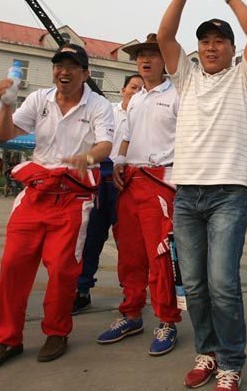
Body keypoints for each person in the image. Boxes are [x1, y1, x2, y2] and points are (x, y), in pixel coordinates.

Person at [156, 0, 247, 391]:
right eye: (204, 41)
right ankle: (207, 351)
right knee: (196, 286)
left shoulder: (244, 78)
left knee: (222, 283)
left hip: (228, 194)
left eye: (219, 41)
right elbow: (165, 37)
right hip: (187, 194)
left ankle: (232, 361)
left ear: (232, 49)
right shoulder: (185, 77)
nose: (210, 47)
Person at [0, 44, 114, 371]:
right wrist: (6, 104)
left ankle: (56, 332)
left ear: (85, 73)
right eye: (58, 66)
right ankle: (6, 339)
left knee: (63, 270)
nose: (63, 72)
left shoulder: (98, 105)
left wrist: (87, 157)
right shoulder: (39, 99)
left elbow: (105, 144)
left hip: (73, 198)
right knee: (13, 266)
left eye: (72, 67)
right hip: (35, 194)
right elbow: (5, 134)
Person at [96, 34, 181, 355]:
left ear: (166, 60)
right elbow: (127, 137)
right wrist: (119, 160)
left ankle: (167, 320)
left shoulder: (177, 94)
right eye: (140, 56)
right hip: (130, 181)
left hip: (160, 181)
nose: (145, 60)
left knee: (160, 256)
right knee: (130, 254)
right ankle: (131, 313)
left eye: (152, 55)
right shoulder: (136, 98)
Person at [72, 73, 143, 314]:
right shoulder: (106, 111)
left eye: (141, 89)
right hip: (98, 180)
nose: (136, 92)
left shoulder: (146, 115)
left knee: (128, 242)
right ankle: (82, 290)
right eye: (133, 87)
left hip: (127, 182)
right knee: (89, 237)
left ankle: (132, 293)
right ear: (123, 90)